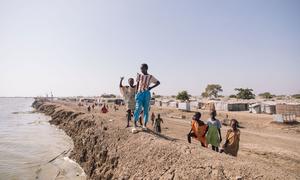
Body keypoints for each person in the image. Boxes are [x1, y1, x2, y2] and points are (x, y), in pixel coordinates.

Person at [132, 63, 160, 133]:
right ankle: (134, 125)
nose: (141, 69)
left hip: (147, 94)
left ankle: (144, 125)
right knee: (138, 108)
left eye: (142, 68)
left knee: (146, 110)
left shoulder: (150, 77)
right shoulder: (139, 75)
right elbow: (138, 84)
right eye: (140, 68)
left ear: (146, 68)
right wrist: (136, 93)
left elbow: (158, 82)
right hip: (139, 93)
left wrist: (151, 87)